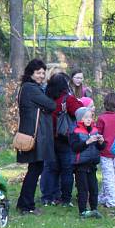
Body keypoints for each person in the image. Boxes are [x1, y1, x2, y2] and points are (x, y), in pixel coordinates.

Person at [14, 59, 56, 215]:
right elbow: (51, 105)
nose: (42, 76)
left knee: (34, 169)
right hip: (35, 136)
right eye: (38, 73)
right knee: (34, 170)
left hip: (31, 133)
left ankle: (24, 203)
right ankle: (26, 205)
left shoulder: (28, 88)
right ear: (31, 73)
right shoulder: (31, 89)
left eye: (43, 73)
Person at [40, 73, 83, 207]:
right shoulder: (67, 99)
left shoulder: (45, 99)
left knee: (50, 169)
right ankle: (65, 199)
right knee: (66, 170)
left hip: (48, 139)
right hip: (65, 138)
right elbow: (80, 110)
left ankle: (48, 197)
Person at [69, 107, 104, 219]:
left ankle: (94, 209)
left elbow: (100, 147)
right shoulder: (75, 131)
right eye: (86, 117)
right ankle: (82, 211)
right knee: (83, 189)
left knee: (94, 188)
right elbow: (75, 148)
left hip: (92, 164)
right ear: (80, 118)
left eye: (90, 117)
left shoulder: (95, 130)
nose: (89, 119)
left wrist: (101, 142)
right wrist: (87, 142)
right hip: (80, 165)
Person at [96, 93, 115, 209]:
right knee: (114, 177)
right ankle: (104, 196)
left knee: (108, 177)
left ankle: (112, 200)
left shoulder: (102, 118)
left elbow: (98, 134)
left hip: (106, 151)